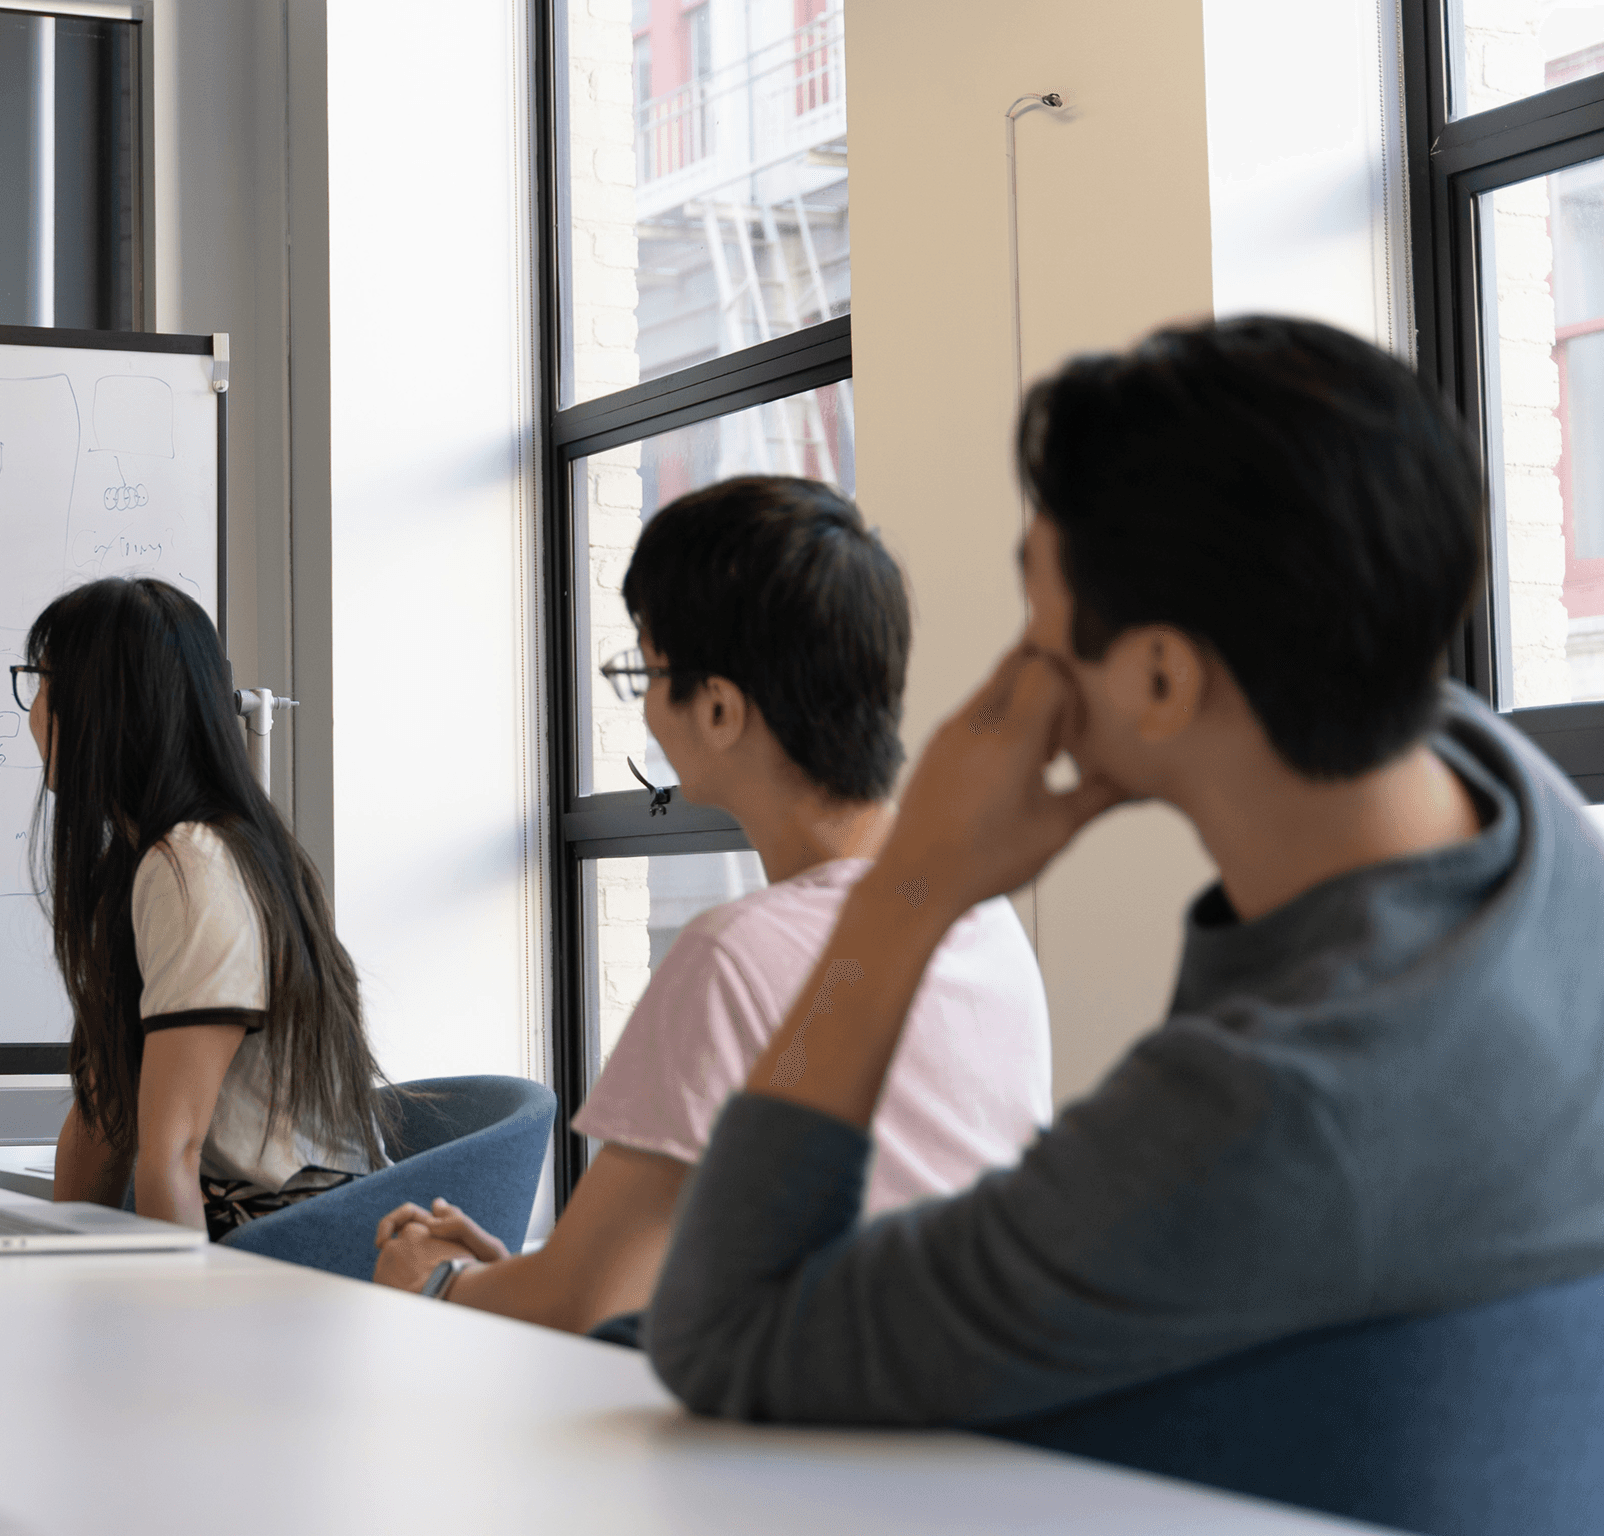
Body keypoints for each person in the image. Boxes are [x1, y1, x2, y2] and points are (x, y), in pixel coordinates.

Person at [643, 315, 1604, 1424]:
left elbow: (722, 1338)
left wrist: (912, 886)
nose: (1023, 657)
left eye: (1037, 606)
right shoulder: (1519, 810)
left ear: (1156, 679)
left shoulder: (1260, 1116)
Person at [369, 477, 1053, 1330]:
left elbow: (580, 1300)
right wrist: (517, 1280)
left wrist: (430, 1280)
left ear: (722, 708)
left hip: (816, 1447)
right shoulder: (975, 912)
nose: (648, 706)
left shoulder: (737, 954)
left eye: (647, 671)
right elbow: (622, 1286)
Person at [17, 576, 388, 1238]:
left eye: (43, 680)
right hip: (248, 1239)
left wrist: (175, 1336)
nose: (32, 709)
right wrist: (57, 1261)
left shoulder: (191, 866)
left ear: (102, 704)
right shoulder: (148, 861)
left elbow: (171, 1154)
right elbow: (104, 1117)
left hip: (287, 1254)